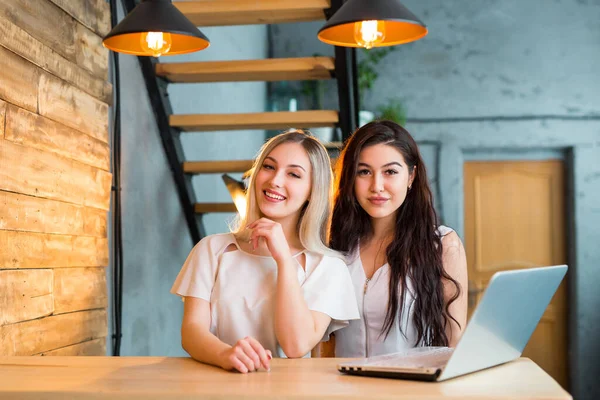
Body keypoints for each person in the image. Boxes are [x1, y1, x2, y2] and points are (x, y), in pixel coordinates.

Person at [171, 130, 359, 373]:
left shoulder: (329, 268)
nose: (275, 181)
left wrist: (283, 259)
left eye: (293, 174)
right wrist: (226, 355)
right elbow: (192, 332)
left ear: (313, 190)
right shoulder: (212, 249)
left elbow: (295, 345)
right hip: (214, 385)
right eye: (269, 167)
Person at [330, 121, 468, 358]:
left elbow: (453, 344)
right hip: (344, 389)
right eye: (364, 172)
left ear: (411, 176)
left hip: (411, 390)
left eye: (390, 172)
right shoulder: (335, 246)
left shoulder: (443, 245)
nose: (377, 186)